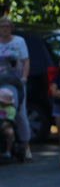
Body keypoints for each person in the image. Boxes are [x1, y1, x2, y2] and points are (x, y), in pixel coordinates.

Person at [0, 17, 31, 160]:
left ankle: (26, 146)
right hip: (1, 83)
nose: (4, 28)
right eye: (2, 26)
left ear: (11, 27)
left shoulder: (19, 42)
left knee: (20, 114)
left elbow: (25, 62)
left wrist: (24, 78)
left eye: (7, 26)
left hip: (16, 84)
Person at [0, 86, 16, 161]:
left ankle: (8, 151)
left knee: (10, 133)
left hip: (5, 127)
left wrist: (2, 128)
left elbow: (10, 122)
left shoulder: (11, 109)